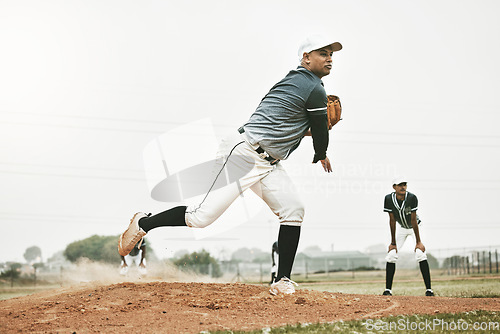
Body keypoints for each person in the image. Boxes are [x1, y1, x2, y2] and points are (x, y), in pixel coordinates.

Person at [118, 34, 343, 295]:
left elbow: (287, 124)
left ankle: (282, 280)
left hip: (267, 162)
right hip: (244, 155)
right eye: (323, 53)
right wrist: (321, 151)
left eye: (331, 54)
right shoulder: (314, 87)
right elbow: (318, 129)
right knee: (200, 217)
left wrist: (310, 129)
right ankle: (144, 223)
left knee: (293, 209)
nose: (329, 58)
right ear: (306, 58)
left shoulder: (295, 82)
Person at [382, 177, 434, 296]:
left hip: (415, 228)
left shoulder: (411, 197)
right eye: (400, 185)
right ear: (394, 187)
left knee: (420, 254)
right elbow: (392, 220)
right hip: (402, 228)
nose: (403, 187)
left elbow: (413, 219)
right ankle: (388, 290)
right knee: (391, 255)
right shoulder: (389, 199)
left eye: (404, 184)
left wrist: (418, 242)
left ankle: (429, 290)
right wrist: (393, 243)